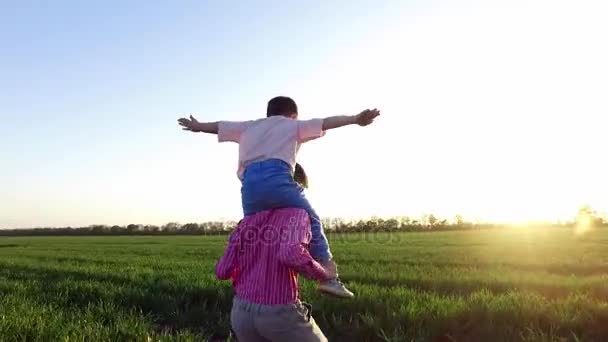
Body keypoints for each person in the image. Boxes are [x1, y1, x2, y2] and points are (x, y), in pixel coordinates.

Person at [178, 96, 380, 298]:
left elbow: (218, 126)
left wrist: (197, 126)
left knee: (255, 233)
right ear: (293, 115)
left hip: (249, 189)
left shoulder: (249, 126)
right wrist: (355, 118)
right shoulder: (292, 125)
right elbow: (327, 122)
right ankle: (329, 279)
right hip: (277, 180)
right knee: (312, 220)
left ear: (269, 113)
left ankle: (250, 284)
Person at [216, 207, 332, 341]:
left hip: (241, 313)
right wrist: (325, 273)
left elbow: (222, 271)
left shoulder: (247, 220)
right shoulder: (296, 214)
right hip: (279, 313)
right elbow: (290, 253)